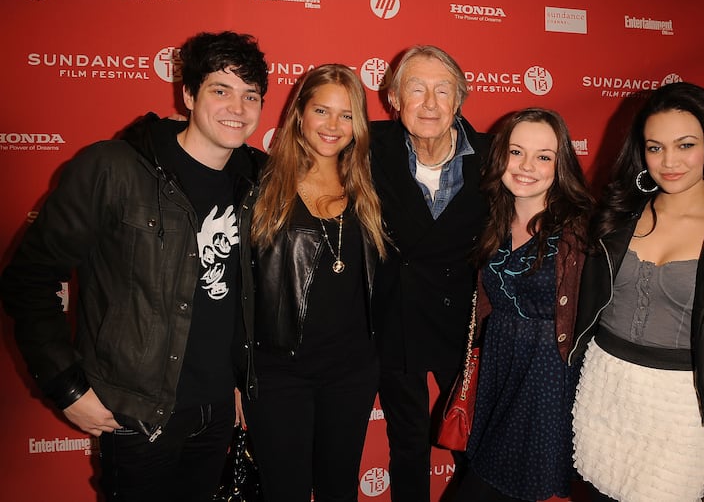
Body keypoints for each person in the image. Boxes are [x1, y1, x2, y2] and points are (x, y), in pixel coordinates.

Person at [0, 31, 268, 502]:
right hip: (139, 414)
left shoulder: (256, 181)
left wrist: (243, 378)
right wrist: (66, 387)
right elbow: (28, 281)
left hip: (218, 411)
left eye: (251, 96)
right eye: (220, 90)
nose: (237, 108)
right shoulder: (114, 169)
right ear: (187, 94)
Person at [568, 82, 704, 502]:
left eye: (685, 145)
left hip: (679, 405)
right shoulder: (618, 211)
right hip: (604, 388)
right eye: (655, 147)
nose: (669, 162)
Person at [243, 64, 389, 502]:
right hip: (279, 373)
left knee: (338, 489)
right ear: (299, 114)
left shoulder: (370, 186)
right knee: (283, 490)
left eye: (346, 115)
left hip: (352, 372)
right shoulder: (257, 180)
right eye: (321, 110)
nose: (333, 126)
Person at [451, 108, 594, 502]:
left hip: (548, 377)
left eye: (543, 156)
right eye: (516, 152)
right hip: (499, 367)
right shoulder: (490, 218)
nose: (527, 166)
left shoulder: (581, 229)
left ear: (560, 164)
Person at [370, 45, 490, 502]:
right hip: (394, 320)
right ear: (394, 99)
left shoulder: (496, 157)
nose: (431, 103)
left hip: (465, 328)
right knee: (408, 444)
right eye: (416, 90)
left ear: (459, 101)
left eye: (443, 91)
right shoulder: (366, 147)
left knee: (476, 443)